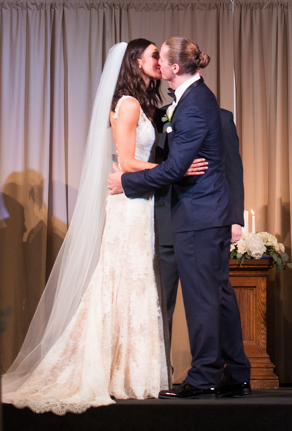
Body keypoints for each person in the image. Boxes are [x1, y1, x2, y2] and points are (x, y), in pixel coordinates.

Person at [2, 40, 206, 414]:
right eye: (153, 57)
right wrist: (178, 169)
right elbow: (127, 162)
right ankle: (105, 369)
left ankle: (131, 372)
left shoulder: (147, 106)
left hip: (144, 203)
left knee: (139, 283)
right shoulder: (127, 104)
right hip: (129, 203)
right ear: (136, 63)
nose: (160, 62)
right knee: (123, 279)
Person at [109, 37, 251, 399]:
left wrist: (127, 180)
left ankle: (204, 376)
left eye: (162, 59)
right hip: (200, 213)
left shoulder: (192, 106)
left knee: (204, 298)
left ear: (174, 69)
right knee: (218, 295)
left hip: (199, 214)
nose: (159, 65)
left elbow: (175, 168)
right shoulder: (188, 101)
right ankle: (236, 372)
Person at [153, 91, 245, 340]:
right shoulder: (158, 116)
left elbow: (232, 172)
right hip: (166, 221)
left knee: (210, 301)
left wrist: (235, 219)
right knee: (160, 305)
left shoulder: (222, 118)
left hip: (206, 222)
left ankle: (213, 370)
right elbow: (152, 164)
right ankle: (163, 373)